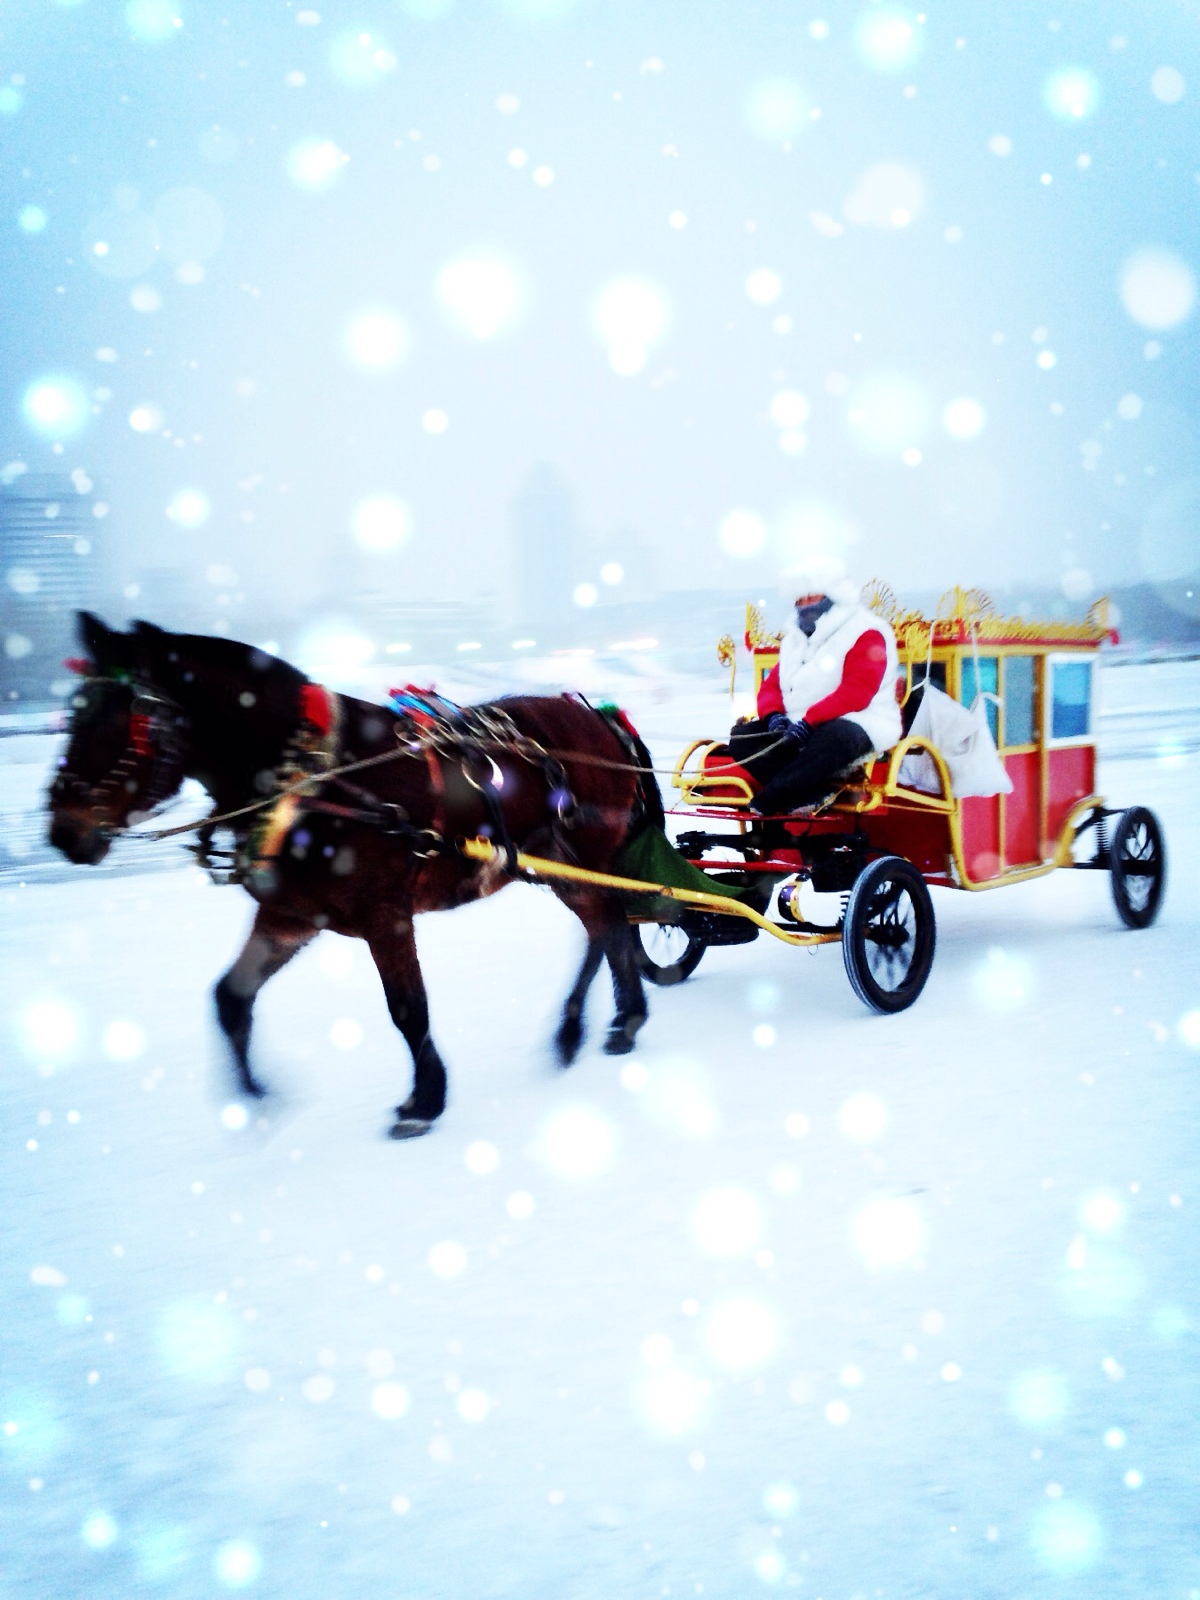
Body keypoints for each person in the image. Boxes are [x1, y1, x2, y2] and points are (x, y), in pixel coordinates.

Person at [729, 567, 901, 815]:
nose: (804, 604)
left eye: (812, 597)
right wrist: (774, 716)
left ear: (833, 596)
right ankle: (811, 793)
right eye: (800, 599)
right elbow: (772, 686)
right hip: (799, 723)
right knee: (743, 738)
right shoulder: (794, 640)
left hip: (859, 718)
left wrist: (810, 722)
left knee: (835, 737)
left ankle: (774, 797)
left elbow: (858, 691)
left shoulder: (865, 632)